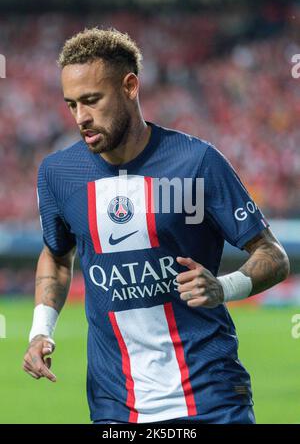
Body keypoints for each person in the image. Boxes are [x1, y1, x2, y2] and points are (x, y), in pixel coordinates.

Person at [23, 27, 289, 424]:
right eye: (72, 104)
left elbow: (273, 255)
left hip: (212, 397)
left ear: (130, 86)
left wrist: (223, 287)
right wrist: (40, 331)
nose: (81, 117)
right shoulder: (59, 173)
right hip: (116, 405)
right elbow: (58, 256)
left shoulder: (197, 162)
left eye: (92, 100)